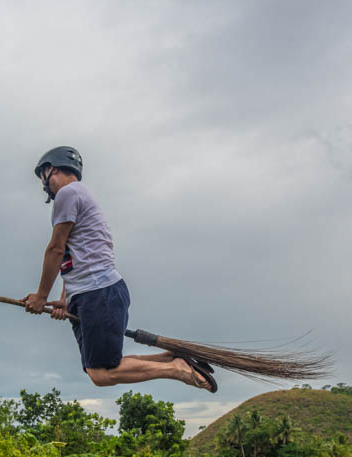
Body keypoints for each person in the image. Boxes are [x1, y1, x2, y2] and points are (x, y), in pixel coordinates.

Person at [21, 146, 217, 393]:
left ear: (53, 169)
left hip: (98, 292)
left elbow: (56, 249)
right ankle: (170, 359)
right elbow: (73, 255)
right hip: (91, 292)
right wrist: (64, 299)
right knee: (99, 370)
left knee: (102, 373)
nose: (42, 185)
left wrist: (40, 297)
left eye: (42, 176)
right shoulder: (79, 195)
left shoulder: (68, 194)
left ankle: (176, 369)